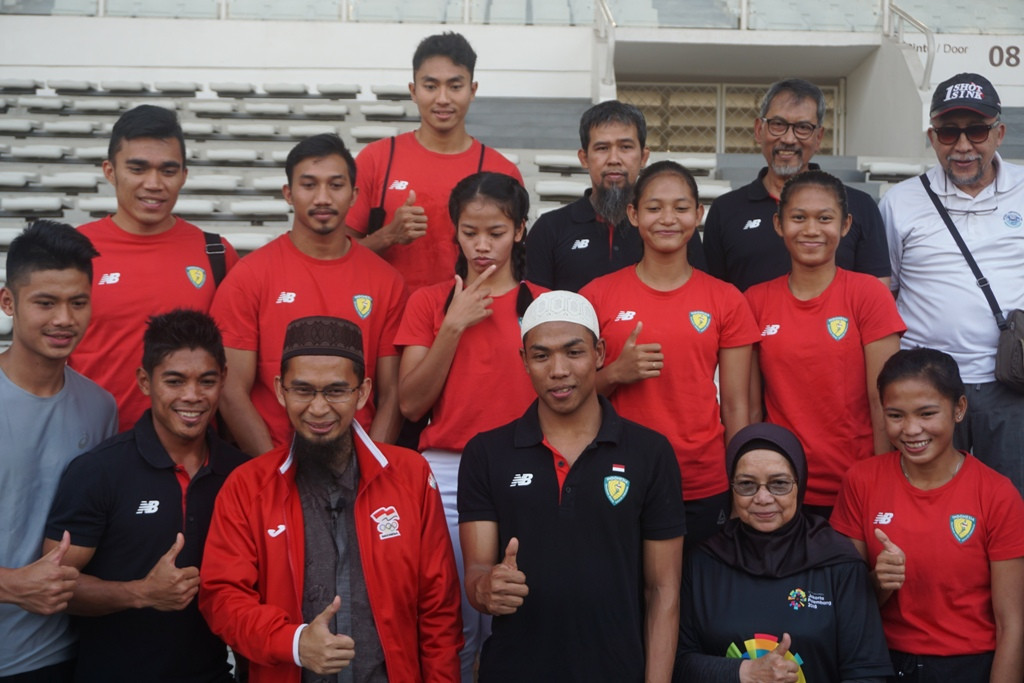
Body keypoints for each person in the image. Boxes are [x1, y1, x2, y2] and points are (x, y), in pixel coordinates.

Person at [200, 316, 462, 683]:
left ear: (364, 392)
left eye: (336, 391)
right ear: (280, 390)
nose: (319, 409)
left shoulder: (410, 476)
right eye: (303, 390)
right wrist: (294, 642)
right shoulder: (247, 486)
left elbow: (439, 610)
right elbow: (223, 598)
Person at [459, 290, 685, 682]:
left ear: (599, 354)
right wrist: (486, 589)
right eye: (541, 355)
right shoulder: (486, 453)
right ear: (524, 361)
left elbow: (662, 591)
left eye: (574, 352)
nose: (558, 370)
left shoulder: (650, 452)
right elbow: (477, 572)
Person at [42, 309, 247, 682]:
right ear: (144, 381)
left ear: (224, 381)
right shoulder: (98, 471)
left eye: (206, 381)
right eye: (174, 380)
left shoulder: (241, 473)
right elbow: (52, 585)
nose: (192, 396)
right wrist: (142, 593)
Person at [395, 171, 544, 681]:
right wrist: (453, 324)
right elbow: (412, 404)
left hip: (529, 467)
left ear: (520, 229)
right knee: (452, 624)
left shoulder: (543, 304)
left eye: (496, 232)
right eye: (469, 232)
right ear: (454, 231)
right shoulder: (428, 302)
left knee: (522, 618)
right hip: (448, 477)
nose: (481, 246)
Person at [582, 160, 760, 545]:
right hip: (617, 473)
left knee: (695, 596)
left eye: (681, 208)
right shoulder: (597, 295)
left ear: (698, 214)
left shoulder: (725, 299)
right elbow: (568, 397)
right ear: (632, 214)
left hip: (701, 477)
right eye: (654, 207)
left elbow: (735, 406)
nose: (668, 219)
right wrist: (615, 373)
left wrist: (743, 481)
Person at [832, 348, 1024, 682]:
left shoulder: (997, 494)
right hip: (880, 661)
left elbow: (1012, 624)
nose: (911, 429)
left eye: (926, 413)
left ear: (959, 409)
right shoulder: (861, 481)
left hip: (968, 665)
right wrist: (878, 582)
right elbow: (844, 607)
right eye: (895, 415)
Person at [212, 133, 407, 456]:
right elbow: (231, 391)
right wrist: (273, 473)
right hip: (274, 462)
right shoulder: (249, 276)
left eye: (335, 185)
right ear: (288, 193)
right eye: (309, 185)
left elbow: (392, 394)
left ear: (354, 194)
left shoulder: (387, 281)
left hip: (355, 466)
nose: (322, 197)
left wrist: (369, 468)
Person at [881, 72, 1024, 495]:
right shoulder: (900, 201)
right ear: (932, 136)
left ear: (999, 132)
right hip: (928, 388)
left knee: (1015, 502)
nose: (962, 146)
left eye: (976, 130)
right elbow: (887, 292)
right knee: (929, 500)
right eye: (948, 132)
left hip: (1011, 383)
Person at [676, 423, 892, 682]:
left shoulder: (839, 563)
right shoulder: (703, 564)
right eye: (747, 485)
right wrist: (742, 672)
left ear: (800, 484)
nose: (763, 498)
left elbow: (868, 671)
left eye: (779, 484)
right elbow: (679, 663)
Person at [70, 104, 239, 432]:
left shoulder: (215, 253)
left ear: (184, 176)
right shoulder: (74, 252)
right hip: (91, 446)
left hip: (191, 456)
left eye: (168, 170)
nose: (154, 183)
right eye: (137, 168)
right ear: (110, 171)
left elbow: (234, 368)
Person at [746, 170, 904, 516]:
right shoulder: (755, 301)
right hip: (780, 490)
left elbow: (885, 401)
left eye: (825, 218)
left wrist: (883, 481)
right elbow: (753, 407)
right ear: (778, 224)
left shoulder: (868, 295)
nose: (811, 230)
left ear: (845, 225)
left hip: (854, 487)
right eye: (798, 218)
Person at [0, 221, 117, 681]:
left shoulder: (99, 407)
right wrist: (11, 586)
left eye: (78, 302)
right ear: (8, 302)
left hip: (61, 655)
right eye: (45, 303)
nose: (64, 319)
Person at [345, 31, 523, 291]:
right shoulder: (376, 159)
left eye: (455, 86)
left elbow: (515, 265)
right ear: (413, 90)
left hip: (470, 320)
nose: (442, 98)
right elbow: (337, 257)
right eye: (431, 86)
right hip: (390, 323)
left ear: (472, 90)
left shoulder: (500, 171)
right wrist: (388, 235)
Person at [702, 78, 890, 292]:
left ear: (818, 137)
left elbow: (877, 295)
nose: (789, 139)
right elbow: (713, 297)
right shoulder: (726, 210)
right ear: (758, 130)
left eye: (803, 128)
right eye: (778, 125)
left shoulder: (858, 206)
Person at [525, 100, 704, 292]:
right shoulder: (550, 229)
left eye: (625, 147)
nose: (614, 159)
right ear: (584, 158)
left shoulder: (671, 230)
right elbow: (536, 311)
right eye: (602, 148)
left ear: (643, 157)